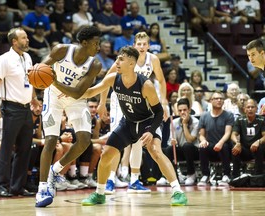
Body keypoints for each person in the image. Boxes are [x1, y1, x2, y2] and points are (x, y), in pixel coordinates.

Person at [80, 46, 187, 206]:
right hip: (129, 122)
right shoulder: (113, 78)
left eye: (121, 59)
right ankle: (99, 193)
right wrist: (69, 92)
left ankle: (178, 191)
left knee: (155, 151)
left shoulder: (146, 85)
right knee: (107, 153)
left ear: (131, 64)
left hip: (148, 121)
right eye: (117, 58)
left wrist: (151, 132)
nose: (116, 62)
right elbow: (90, 92)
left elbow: (158, 112)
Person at [35, 26, 102, 207]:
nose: (99, 47)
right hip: (53, 97)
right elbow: (41, 67)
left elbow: (79, 91)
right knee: (50, 140)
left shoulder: (95, 64)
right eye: (96, 43)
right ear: (84, 43)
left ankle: (55, 171)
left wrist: (54, 80)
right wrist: (39, 74)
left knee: (84, 140)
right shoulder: (62, 50)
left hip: (75, 98)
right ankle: (42, 189)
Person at [99, 32, 168, 194]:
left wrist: (163, 100)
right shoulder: (127, 59)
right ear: (134, 45)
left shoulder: (153, 60)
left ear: (149, 46)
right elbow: (108, 78)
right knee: (115, 139)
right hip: (120, 100)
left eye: (145, 44)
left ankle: (134, 180)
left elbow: (161, 80)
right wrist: (102, 103)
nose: (142, 47)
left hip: (140, 103)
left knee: (138, 141)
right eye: (139, 44)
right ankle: (110, 179)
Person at [0, 27, 39, 197]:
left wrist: (34, 98)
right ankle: (0, 186)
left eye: (27, 37)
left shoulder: (28, 57)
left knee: (25, 149)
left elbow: (29, 80)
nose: (27, 40)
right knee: (7, 148)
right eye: (24, 38)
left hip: (26, 109)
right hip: (10, 108)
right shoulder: (4, 59)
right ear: (14, 41)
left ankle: (17, 186)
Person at [198, 91, 234, 187]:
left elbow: (228, 132)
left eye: (221, 99)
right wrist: (203, 140)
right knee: (202, 147)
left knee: (224, 146)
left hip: (224, 146)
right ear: (211, 101)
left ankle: (226, 174)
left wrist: (220, 142)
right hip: (210, 146)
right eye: (216, 98)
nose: (219, 100)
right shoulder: (204, 116)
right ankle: (205, 175)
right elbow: (201, 135)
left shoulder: (229, 115)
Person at [162, 98, 199, 186]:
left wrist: (184, 124)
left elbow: (190, 140)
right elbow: (171, 140)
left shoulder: (196, 122)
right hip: (181, 150)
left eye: (185, 110)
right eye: (180, 110)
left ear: (189, 110)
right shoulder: (173, 122)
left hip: (194, 151)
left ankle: (191, 174)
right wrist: (173, 142)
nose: (182, 112)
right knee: (168, 149)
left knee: (187, 146)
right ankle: (171, 176)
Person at [231, 99, 265, 178]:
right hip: (245, 150)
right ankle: (235, 177)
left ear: (256, 109)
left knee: (260, 147)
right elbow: (233, 134)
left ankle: (258, 176)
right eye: (248, 107)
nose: (250, 109)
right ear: (244, 109)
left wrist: (258, 141)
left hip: (257, 149)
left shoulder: (262, 120)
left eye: (252, 107)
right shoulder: (239, 120)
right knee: (235, 148)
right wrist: (237, 143)